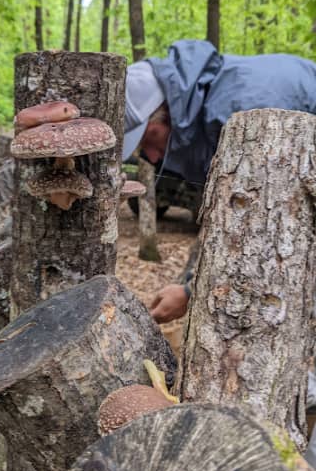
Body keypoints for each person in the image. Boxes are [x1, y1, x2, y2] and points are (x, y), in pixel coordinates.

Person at [122, 39, 316, 324]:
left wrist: (190, 290)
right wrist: (189, 284)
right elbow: (222, 216)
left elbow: (257, 228)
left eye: (148, 139)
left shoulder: (241, 110)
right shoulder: (206, 109)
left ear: (166, 109)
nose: (150, 157)